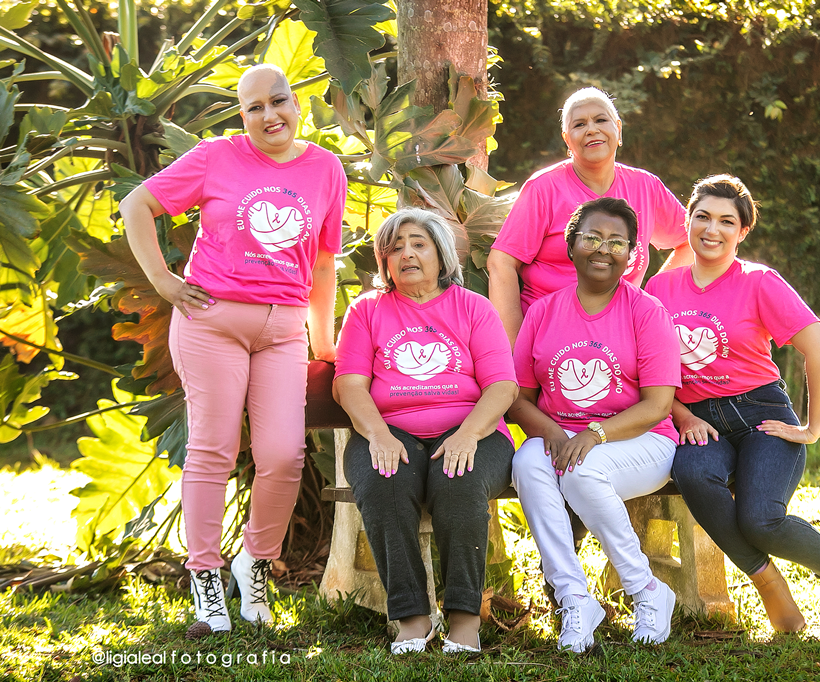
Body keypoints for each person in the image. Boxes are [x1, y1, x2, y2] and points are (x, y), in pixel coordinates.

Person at [121, 63, 344, 633]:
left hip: (283, 330)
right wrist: (166, 284)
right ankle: (206, 582)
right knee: (213, 450)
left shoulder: (325, 169)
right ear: (241, 117)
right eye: (254, 108)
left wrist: (323, 341)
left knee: (283, 455)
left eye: (279, 101)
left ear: (297, 105)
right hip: (210, 321)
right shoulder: (216, 157)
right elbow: (136, 207)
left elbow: (321, 263)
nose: (269, 115)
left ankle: (253, 562)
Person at [644, 174, 820, 633]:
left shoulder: (759, 281)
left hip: (761, 415)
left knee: (761, 519)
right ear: (688, 221)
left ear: (743, 231)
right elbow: (646, 370)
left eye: (727, 221)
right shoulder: (661, 289)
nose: (712, 229)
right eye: (702, 216)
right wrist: (681, 414)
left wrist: (813, 428)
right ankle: (769, 583)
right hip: (697, 419)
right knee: (691, 471)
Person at [333, 208, 518, 654]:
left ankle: (463, 617)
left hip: (472, 429)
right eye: (395, 248)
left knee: (460, 483)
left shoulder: (473, 307)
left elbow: (501, 386)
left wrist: (468, 433)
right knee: (385, 483)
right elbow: (349, 385)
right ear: (384, 262)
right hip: (390, 431)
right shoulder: (367, 311)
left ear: (441, 254)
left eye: (418, 243)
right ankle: (413, 617)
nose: (407, 254)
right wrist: (377, 434)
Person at [508, 197, 682, 652]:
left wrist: (594, 434)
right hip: (563, 436)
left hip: (641, 440)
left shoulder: (646, 311)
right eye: (592, 237)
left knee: (583, 468)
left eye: (617, 241)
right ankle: (575, 598)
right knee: (528, 463)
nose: (603, 249)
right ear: (571, 247)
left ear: (631, 254)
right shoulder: (543, 312)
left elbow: (659, 404)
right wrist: (554, 434)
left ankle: (646, 589)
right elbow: (519, 399)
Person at [487, 87, 693, 348]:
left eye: (600, 120)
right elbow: (501, 263)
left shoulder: (646, 187)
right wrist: (514, 349)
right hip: (548, 335)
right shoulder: (544, 188)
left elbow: (690, 242)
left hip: (621, 336)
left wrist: (649, 299)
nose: (591, 129)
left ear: (618, 128)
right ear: (567, 140)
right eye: (579, 124)